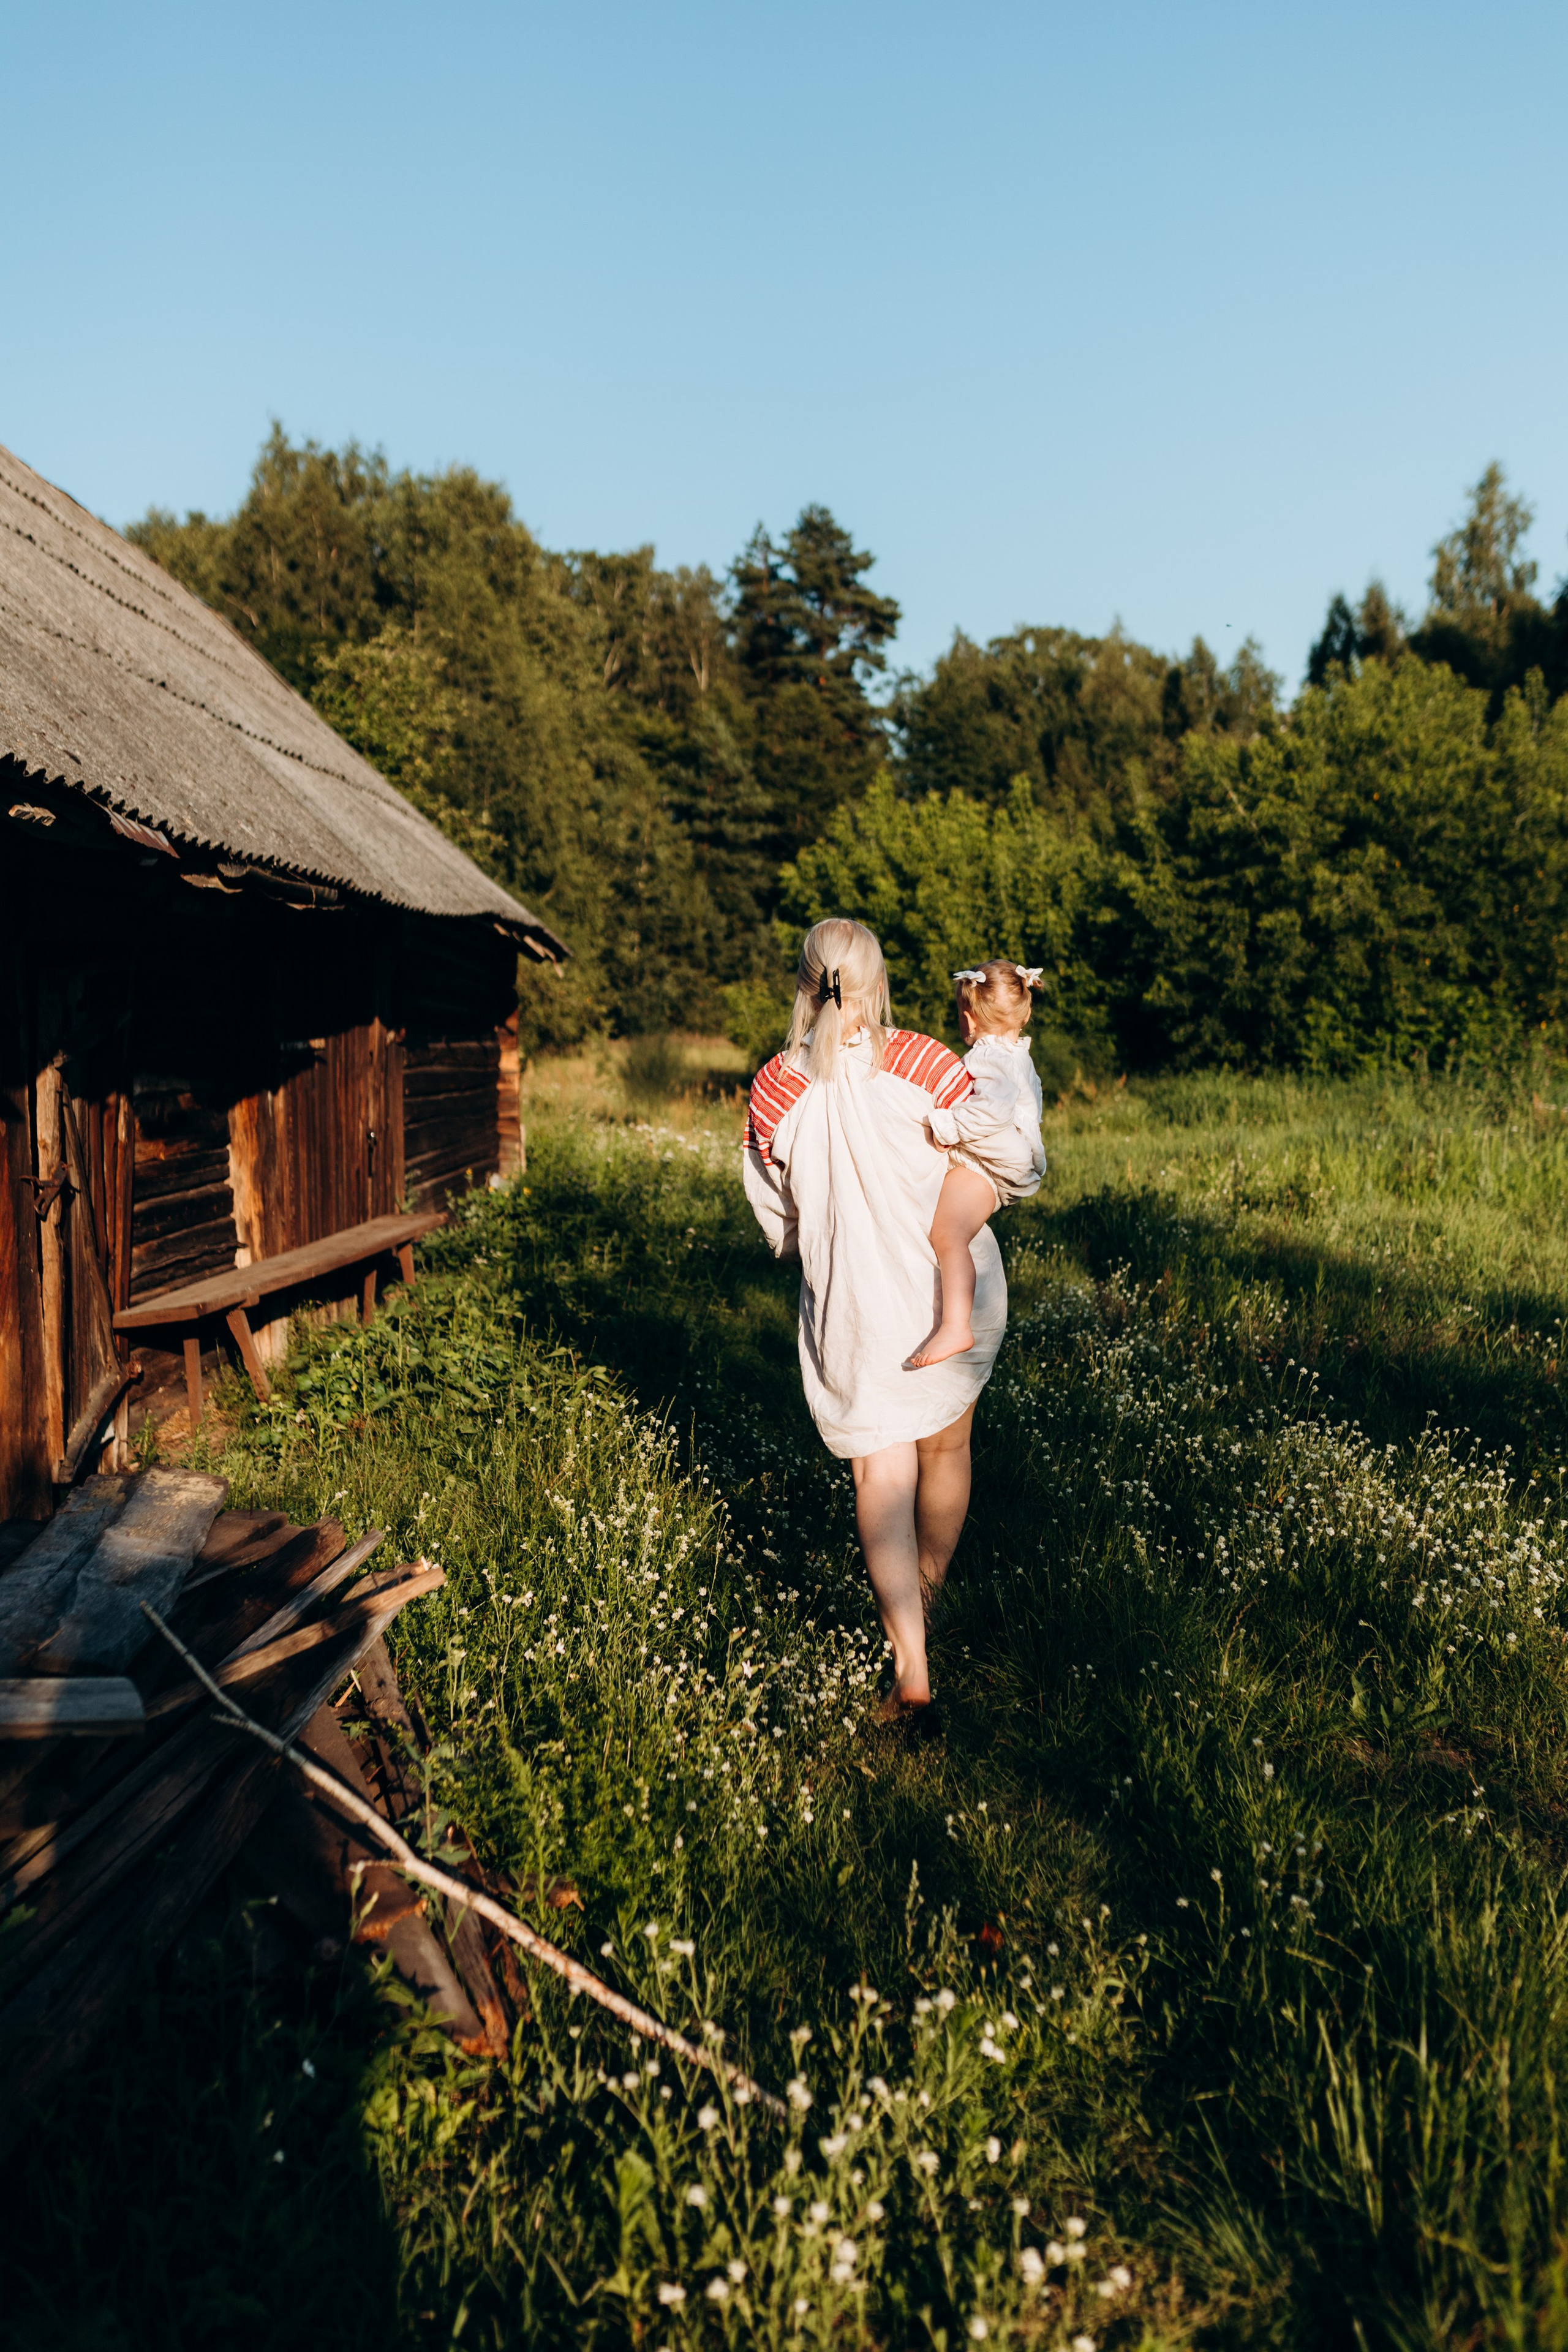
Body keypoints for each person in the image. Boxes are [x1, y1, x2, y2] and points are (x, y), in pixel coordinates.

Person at [741, 918, 1008, 1725]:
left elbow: (779, 1222)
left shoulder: (773, 1088)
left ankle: (911, 1666)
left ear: (804, 984)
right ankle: (927, 1595)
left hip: (854, 1308)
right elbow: (996, 1158)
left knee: (880, 1480)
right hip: (946, 1292)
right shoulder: (930, 1062)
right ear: (877, 983)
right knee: (947, 1449)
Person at [908, 961, 1046, 1370]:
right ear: (1024, 1014)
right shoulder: (1019, 1058)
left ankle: (956, 1325)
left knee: (947, 1233)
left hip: (991, 1164)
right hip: (1007, 1162)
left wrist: (946, 1125)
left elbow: (992, 1112)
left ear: (968, 1020)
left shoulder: (988, 1057)